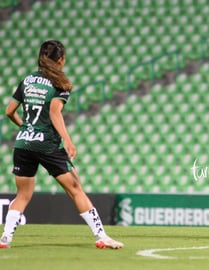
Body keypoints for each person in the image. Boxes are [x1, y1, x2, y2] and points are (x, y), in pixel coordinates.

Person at [0, 40, 123, 249]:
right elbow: (54, 112)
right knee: (76, 188)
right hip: (48, 145)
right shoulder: (61, 84)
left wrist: (26, 127)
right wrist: (67, 139)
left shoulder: (27, 80)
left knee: (23, 195)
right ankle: (101, 236)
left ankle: (5, 238)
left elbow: (9, 111)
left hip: (23, 144)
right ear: (61, 60)